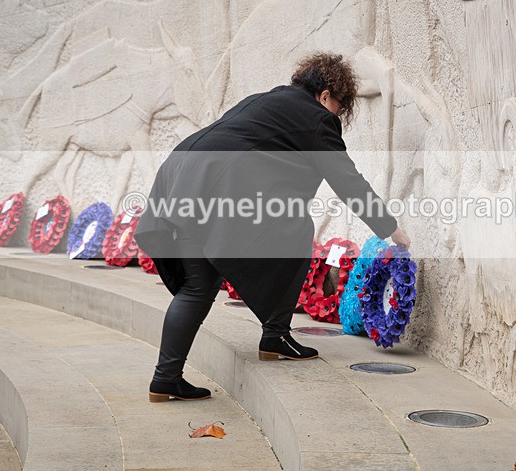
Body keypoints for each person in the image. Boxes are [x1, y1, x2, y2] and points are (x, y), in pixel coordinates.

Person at [135, 52, 410, 402]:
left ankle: (166, 378)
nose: (337, 116)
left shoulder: (269, 100)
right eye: (339, 107)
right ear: (326, 95)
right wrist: (388, 227)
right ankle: (275, 335)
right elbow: (346, 180)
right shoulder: (316, 118)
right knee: (296, 234)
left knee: (196, 287)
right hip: (214, 186)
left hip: (183, 174)